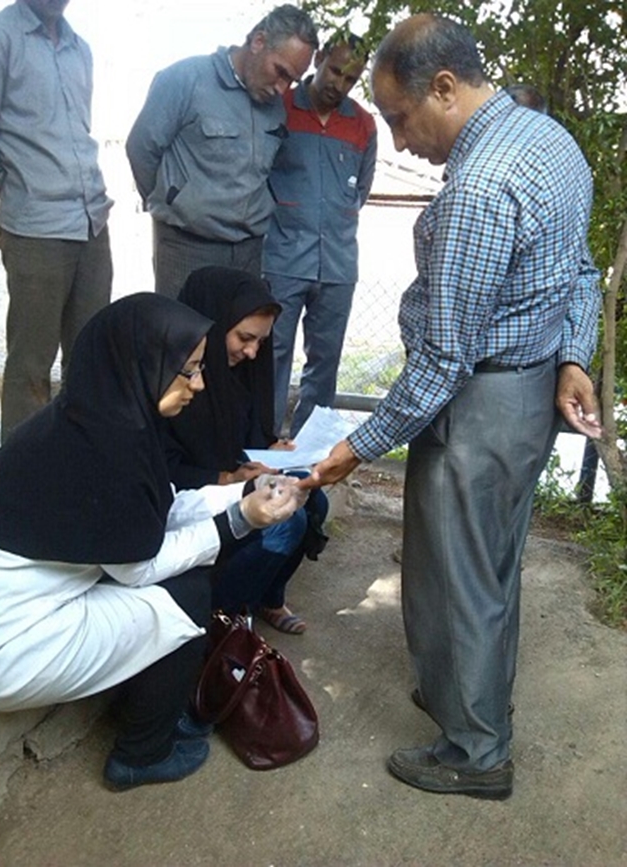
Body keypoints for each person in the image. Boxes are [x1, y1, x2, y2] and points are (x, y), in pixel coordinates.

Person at [299, 14, 602, 799]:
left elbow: (442, 361)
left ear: (445, 88)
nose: (399, 142)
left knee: (456, 573)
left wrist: (356, 447)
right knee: (491, 561)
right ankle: (467, 692)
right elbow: (581, 270)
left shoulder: (479, 186)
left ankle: (475, 749)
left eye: (401, 118)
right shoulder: (550, 141)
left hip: (478, 403)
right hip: (530, 389)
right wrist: (574, 354)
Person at [0, 293, 307, 792]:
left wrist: (244, 492)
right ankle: (141, 754)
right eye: (189, 371)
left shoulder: (96, 421)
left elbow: (164, 507)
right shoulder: (105, 449)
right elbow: (139, 566)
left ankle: (155, 713)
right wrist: (241, 518)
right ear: (145, 363)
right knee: (188, 592)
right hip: (5, 648)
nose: (200, 384)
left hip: (22, 612)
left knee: (186, 578)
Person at [0, 0, 113, 443]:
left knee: (91, 360)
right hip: (35, 226)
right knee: (31, 368)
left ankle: (74, 474)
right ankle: (18, 486)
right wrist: (20, 186)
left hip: (91, 219)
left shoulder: (81, 48)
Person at [166, 266, 329, 634]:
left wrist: (272, 449)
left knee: (311, 495)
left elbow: (245, 438)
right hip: (190, 495)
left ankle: (265, 597)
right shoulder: (177, 375)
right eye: (244, 337)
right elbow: (164, 468)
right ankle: (218, 618)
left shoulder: (236, 370)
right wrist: (229, 477)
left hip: (237, 477)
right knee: (288, 520)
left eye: (261, 341)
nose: (254, 352)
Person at [125, 5, 318, 298]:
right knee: (184, 340)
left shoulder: (275, 106)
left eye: (291, 79)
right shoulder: (185, 79)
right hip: (186, 247)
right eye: (280, 72)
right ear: (258, 42)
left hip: (249, 252)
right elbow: (141, 148)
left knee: (236, 344)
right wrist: (173, 203)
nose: (282, 88)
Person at [262, 33, 378, 436]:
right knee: (271, 352)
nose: (338, 84)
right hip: (282, 258)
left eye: (350, 79)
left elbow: (360, 190)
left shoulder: (363, 124)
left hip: (338, 265)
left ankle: (308, 452)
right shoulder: (280, 107)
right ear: (321, 58)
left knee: (325, 360)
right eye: (334, 70)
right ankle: (263, 442)